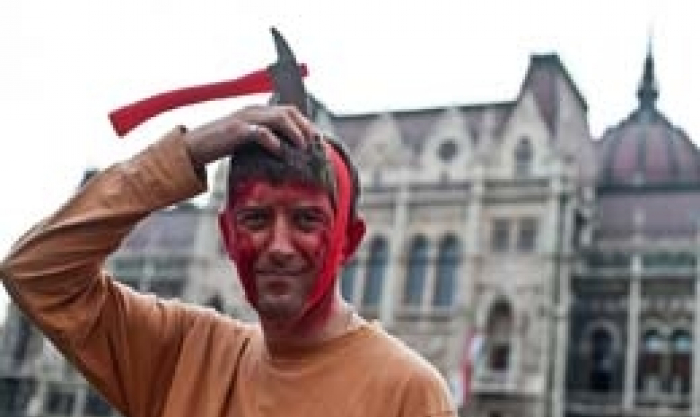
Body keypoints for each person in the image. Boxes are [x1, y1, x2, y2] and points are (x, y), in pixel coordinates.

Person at [0, 103, 457, 417]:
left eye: (306, 220)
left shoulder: (409, 394)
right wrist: (186, 154)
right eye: (256, 218)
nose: (278, 246)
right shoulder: (182, 353)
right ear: (228, 234)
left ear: (348, 241)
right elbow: (35, 272)